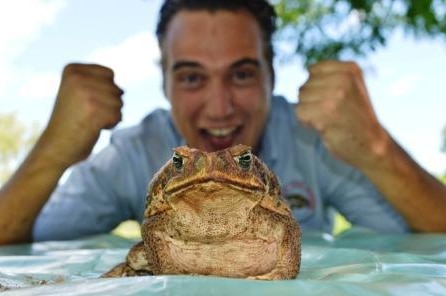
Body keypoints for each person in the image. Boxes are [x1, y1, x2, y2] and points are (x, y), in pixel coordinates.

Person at [1, 0, 445, 245]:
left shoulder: (313, 142)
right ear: (164, 82)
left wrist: (379, 150)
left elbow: (426, 243)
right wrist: (51, 153)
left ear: (272, 76)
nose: (219, 108)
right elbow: (18, 243)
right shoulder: (136, 152)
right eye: (192, 77)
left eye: (242, 74)